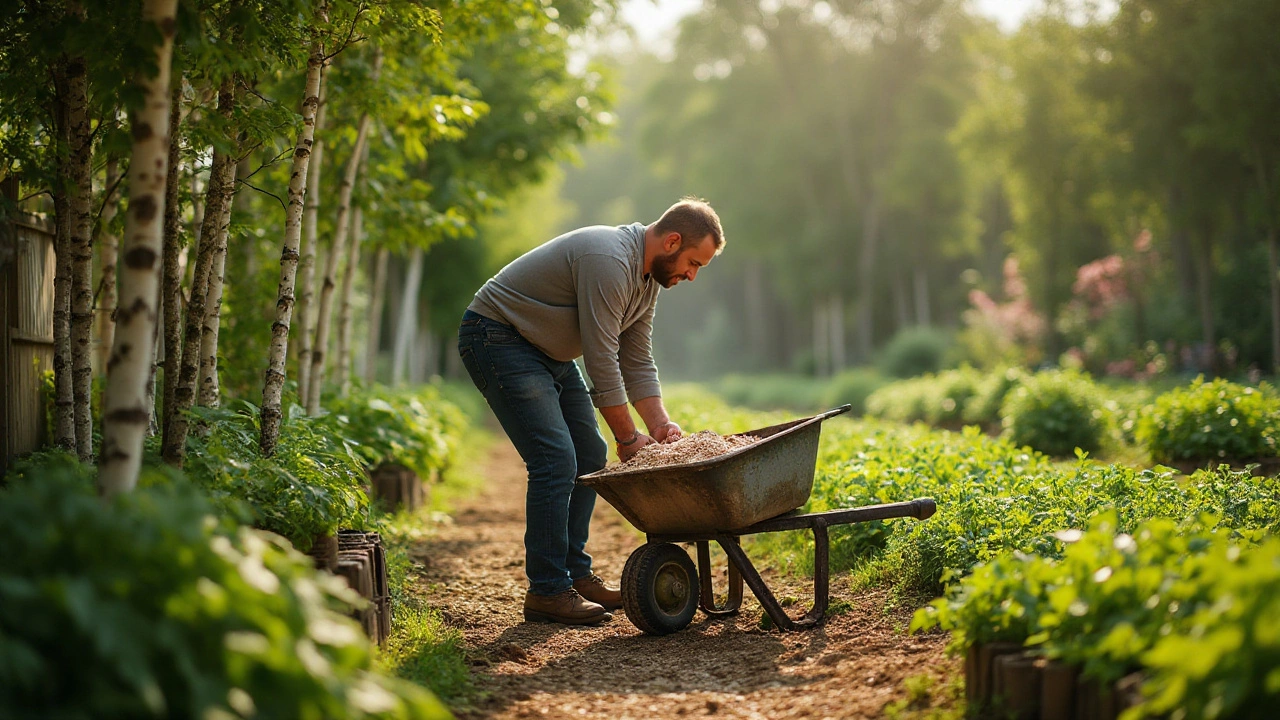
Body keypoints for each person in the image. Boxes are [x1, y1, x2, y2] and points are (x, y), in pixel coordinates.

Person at [456, 197, 725, 626]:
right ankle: (547, 590)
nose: (691, 275)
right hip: (498, 336)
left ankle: (576, 575)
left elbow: (635, 358)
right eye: (693, 263)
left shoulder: (648, 281)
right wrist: (627, 437)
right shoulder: (609, 260)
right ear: (672, 241)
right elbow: (602, 359)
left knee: (588, 455)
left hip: (549, 352)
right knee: (554, 459)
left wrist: (658, 425)